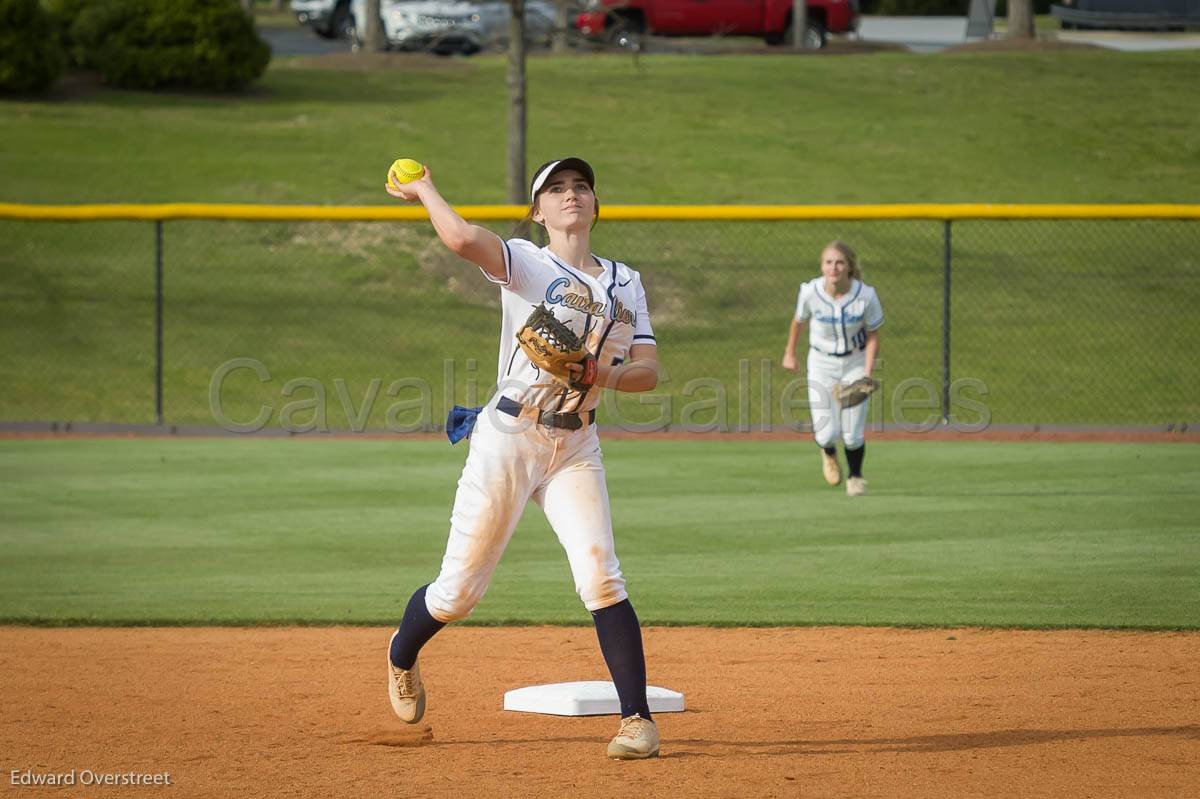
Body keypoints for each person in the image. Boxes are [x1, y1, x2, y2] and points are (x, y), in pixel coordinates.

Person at [382, 157, 662, 760]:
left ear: (595, 205)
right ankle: (402, 653)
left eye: (581, 187)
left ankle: (637, 722)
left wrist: (597, 372)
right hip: (509, 437)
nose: (571, 196)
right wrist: (426, 187)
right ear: (538, 211)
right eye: (556, 190)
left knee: (602, 576)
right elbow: (460, 239)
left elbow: (647, 374)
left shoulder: (626, 282)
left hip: (576, 444)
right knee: (457, 594)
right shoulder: (526, 262)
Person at [781, 240, 884, 496]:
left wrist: (867, 372)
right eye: (828, 262)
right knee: (827, 433)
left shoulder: (866, 295)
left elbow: (873, 334)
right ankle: (828, 453)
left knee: (852, 433)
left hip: (855, 362)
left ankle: (856, 477)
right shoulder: (810, 292)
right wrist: (789, 353)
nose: (834, 267)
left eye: (839, 262)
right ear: (822, 266)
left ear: (849, 267)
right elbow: (798, 322)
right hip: (821, 362)